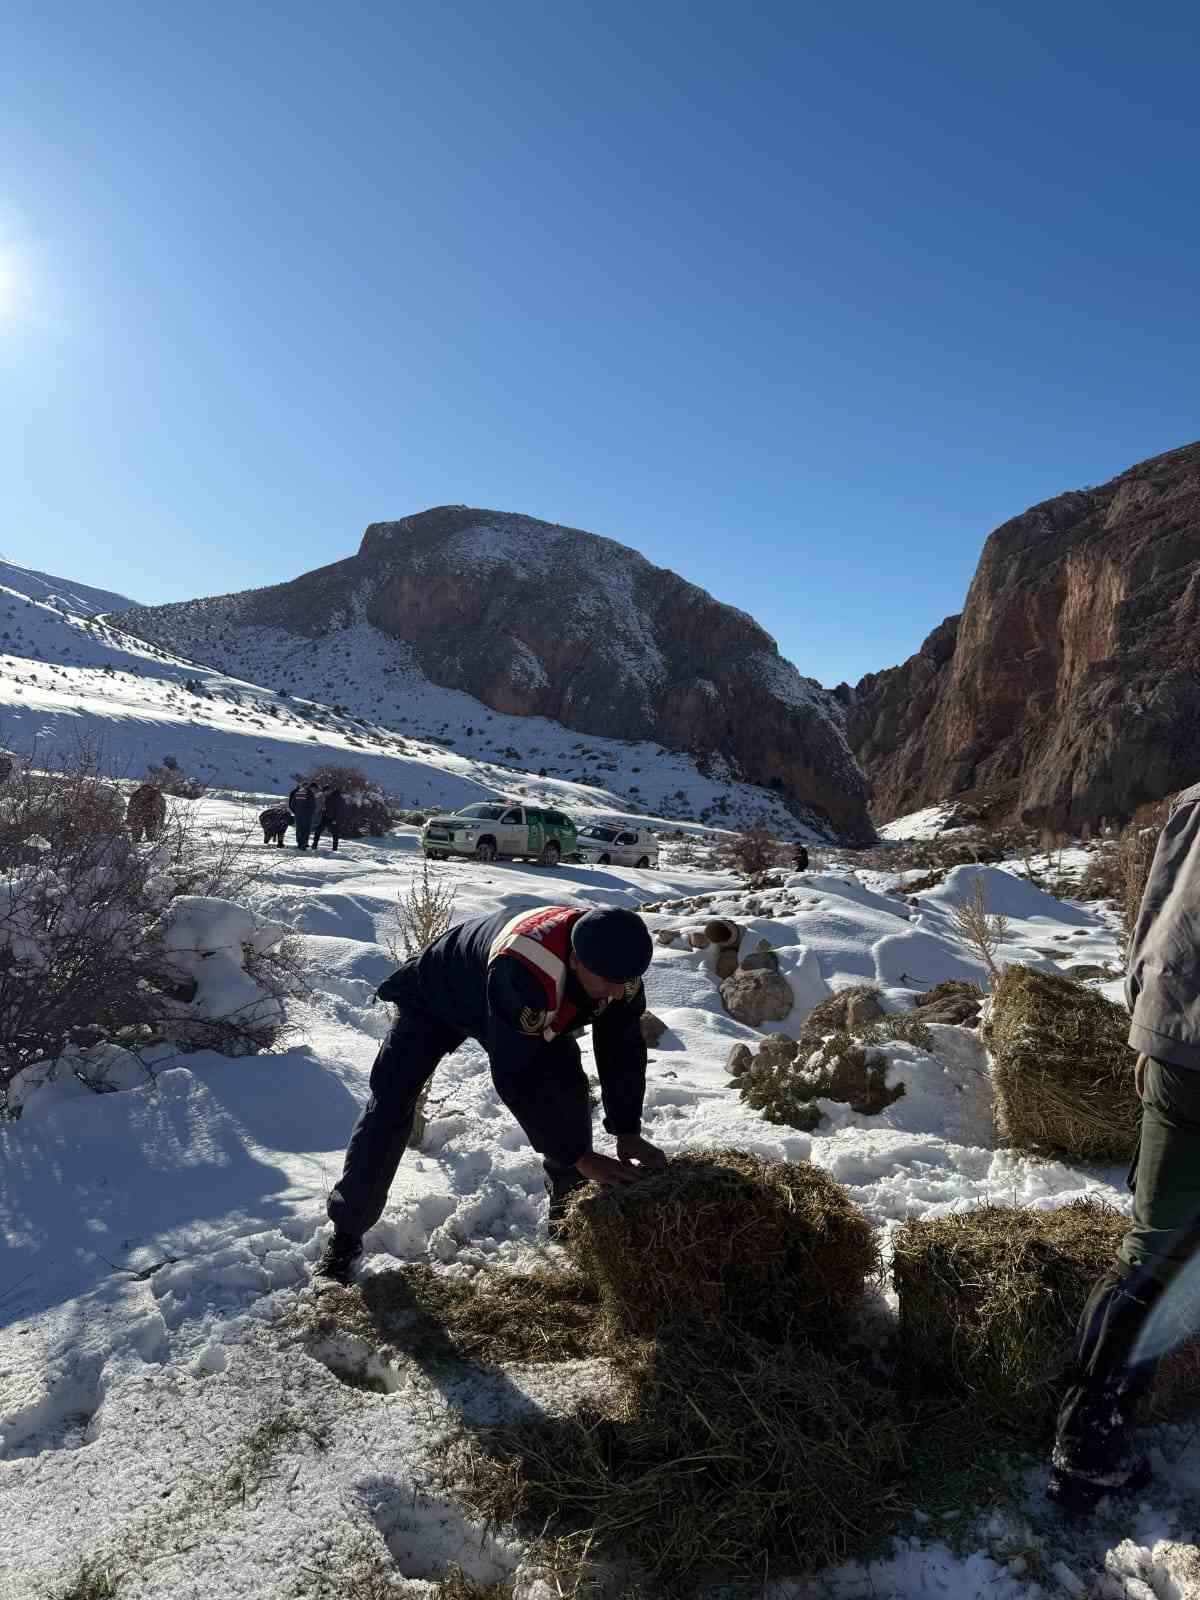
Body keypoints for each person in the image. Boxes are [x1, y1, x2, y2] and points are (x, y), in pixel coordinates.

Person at [315, 903, 667, 1283]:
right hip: (441, 995)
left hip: (528, 1001)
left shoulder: (617, 966)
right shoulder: (526, 968)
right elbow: (516, 1074)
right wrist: (577, 1155)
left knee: (567, 1095)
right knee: (390, 1103)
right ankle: (347, 1233)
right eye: (608, 982)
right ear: (576, 960)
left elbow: (622, 1045)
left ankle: (568, 1221)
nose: (617, 992)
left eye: (625, 981)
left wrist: (627, 1128)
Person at [1049, 781, 1200, 1512]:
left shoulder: (1194, 803)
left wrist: (1145, 1023)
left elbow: (1153, 914)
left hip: (1175, 1044)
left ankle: (1084, 1442)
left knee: (1149, 1250)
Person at [288, 782, 322, 850]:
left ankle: (299, 843)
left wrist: (296, 812)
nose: (315, 791)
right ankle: (304, 844)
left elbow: (292, 804)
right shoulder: (310, 793)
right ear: (312, 788)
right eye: (315, 789)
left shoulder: (298, 792)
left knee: (299, 829)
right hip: (307, 815)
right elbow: (313, 805)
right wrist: (312, 812)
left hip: (298, 815)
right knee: (306, 829)